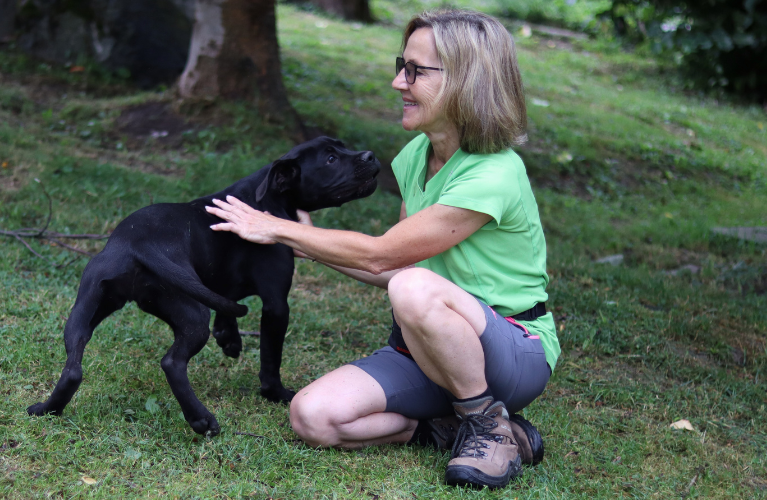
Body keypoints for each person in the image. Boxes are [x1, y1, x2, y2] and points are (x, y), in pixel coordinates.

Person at [205, 9, 559, 489]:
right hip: (427, 348)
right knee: (312, 416)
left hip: (513, 351)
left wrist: (277, 229)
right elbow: (393, 268)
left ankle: (487, 424)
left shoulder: (494, 173)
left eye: (415, 71)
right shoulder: (417, 155)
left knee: (414, 286)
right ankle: (445, 427)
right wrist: (313, 249)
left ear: (465, 81)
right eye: (401, 64)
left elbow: (386, 258)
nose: (398, 82)